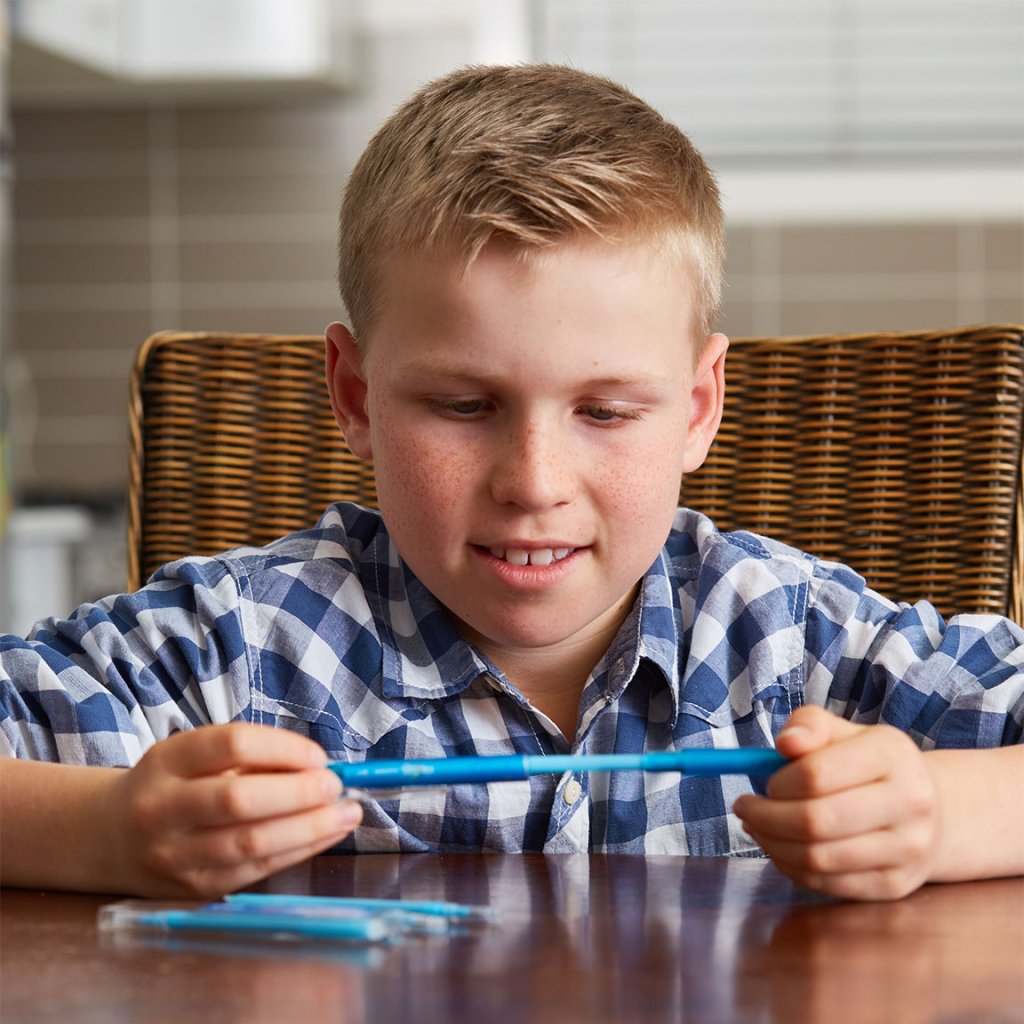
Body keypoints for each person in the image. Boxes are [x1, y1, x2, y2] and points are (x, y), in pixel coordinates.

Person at [1, 64, 1021, 903]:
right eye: (462, 404)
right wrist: (107, 833)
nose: (534, 483)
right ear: (355, 395)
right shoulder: (235, 649)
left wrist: (939, 813)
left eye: (606, 412)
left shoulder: (798, 637)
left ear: (700, 406)